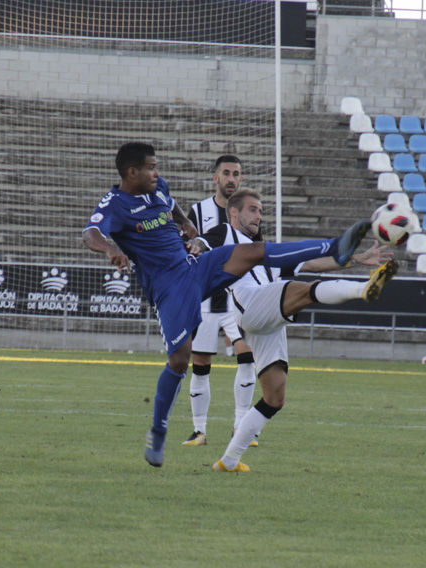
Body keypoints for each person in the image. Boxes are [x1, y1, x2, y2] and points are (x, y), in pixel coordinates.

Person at [82, 142, 371, 468]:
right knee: (181, 359)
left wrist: (185, 223)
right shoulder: (114, 204)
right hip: (168, 289)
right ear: (132, 173)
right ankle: (158, 429)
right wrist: (110, 251)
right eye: (151, 168)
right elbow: (90, 232)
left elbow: (171, 203)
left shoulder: (157, 188)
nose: (157, 173)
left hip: (194, 269)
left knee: (253, 251)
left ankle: (336, 246)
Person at [194, 188, 397, 472]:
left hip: (266, 319)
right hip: (250, 304)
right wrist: (194, 246)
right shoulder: (227, 233)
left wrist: (356, 260)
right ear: (234, 212)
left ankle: (228, 461)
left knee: (274, 398)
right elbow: (201, 242)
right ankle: (363, 289)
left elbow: (313, 263)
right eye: (253, 209)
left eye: (261, 211)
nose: (258, 215)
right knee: (305, 291)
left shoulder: (266, 251)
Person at [183, 155, 256, 447]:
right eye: (225, 173)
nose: (230, 178)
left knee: (247, 356)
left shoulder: (248, 211)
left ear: (241, 179)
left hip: (238, 296)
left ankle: (241, 427)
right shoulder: (198, 211)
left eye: (236, 174)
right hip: (206, 298)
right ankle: (199, 431)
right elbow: (187, 248)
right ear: (215, 178)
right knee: (200, 362)